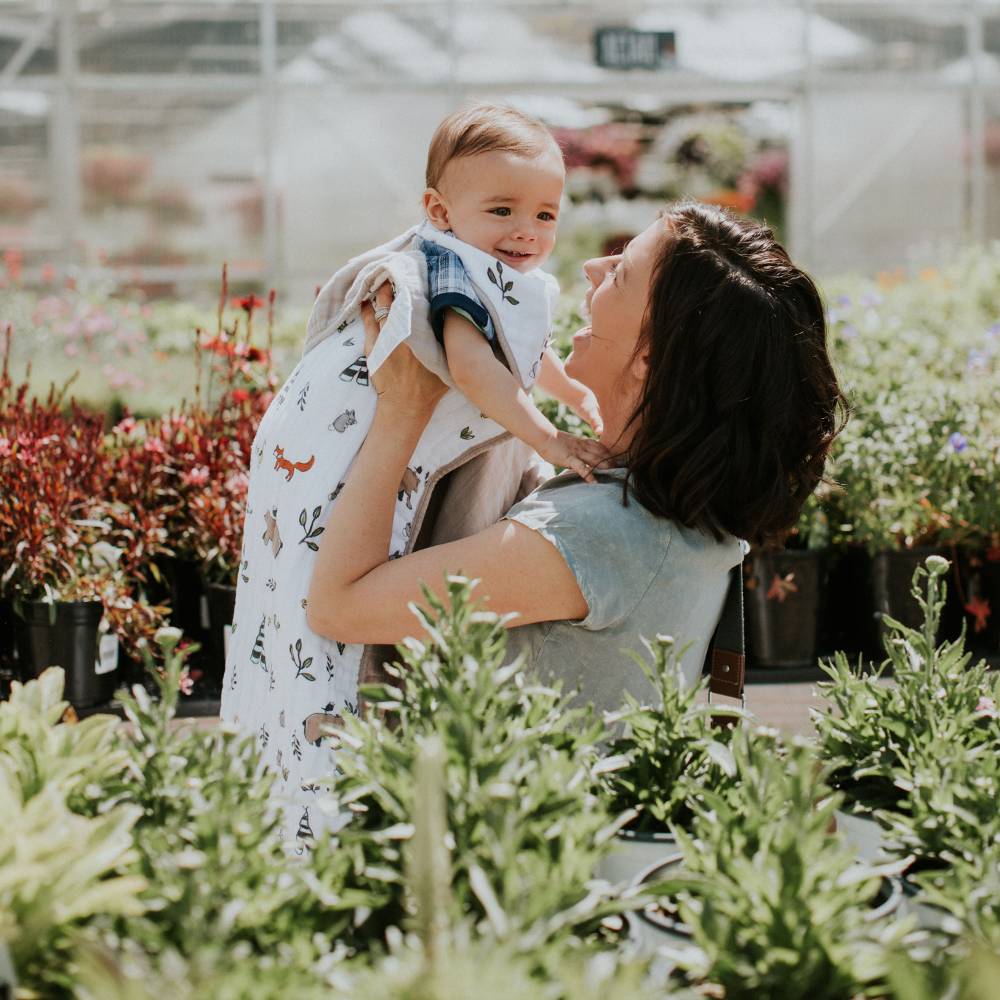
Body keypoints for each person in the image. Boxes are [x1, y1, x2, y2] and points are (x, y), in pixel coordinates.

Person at [306, 202, 848, 718]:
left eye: (621, 274)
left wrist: (402, 409)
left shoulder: (596, 536)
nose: (592, 267)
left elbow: (339, 606)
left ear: (649, 356)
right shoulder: (667, 507)